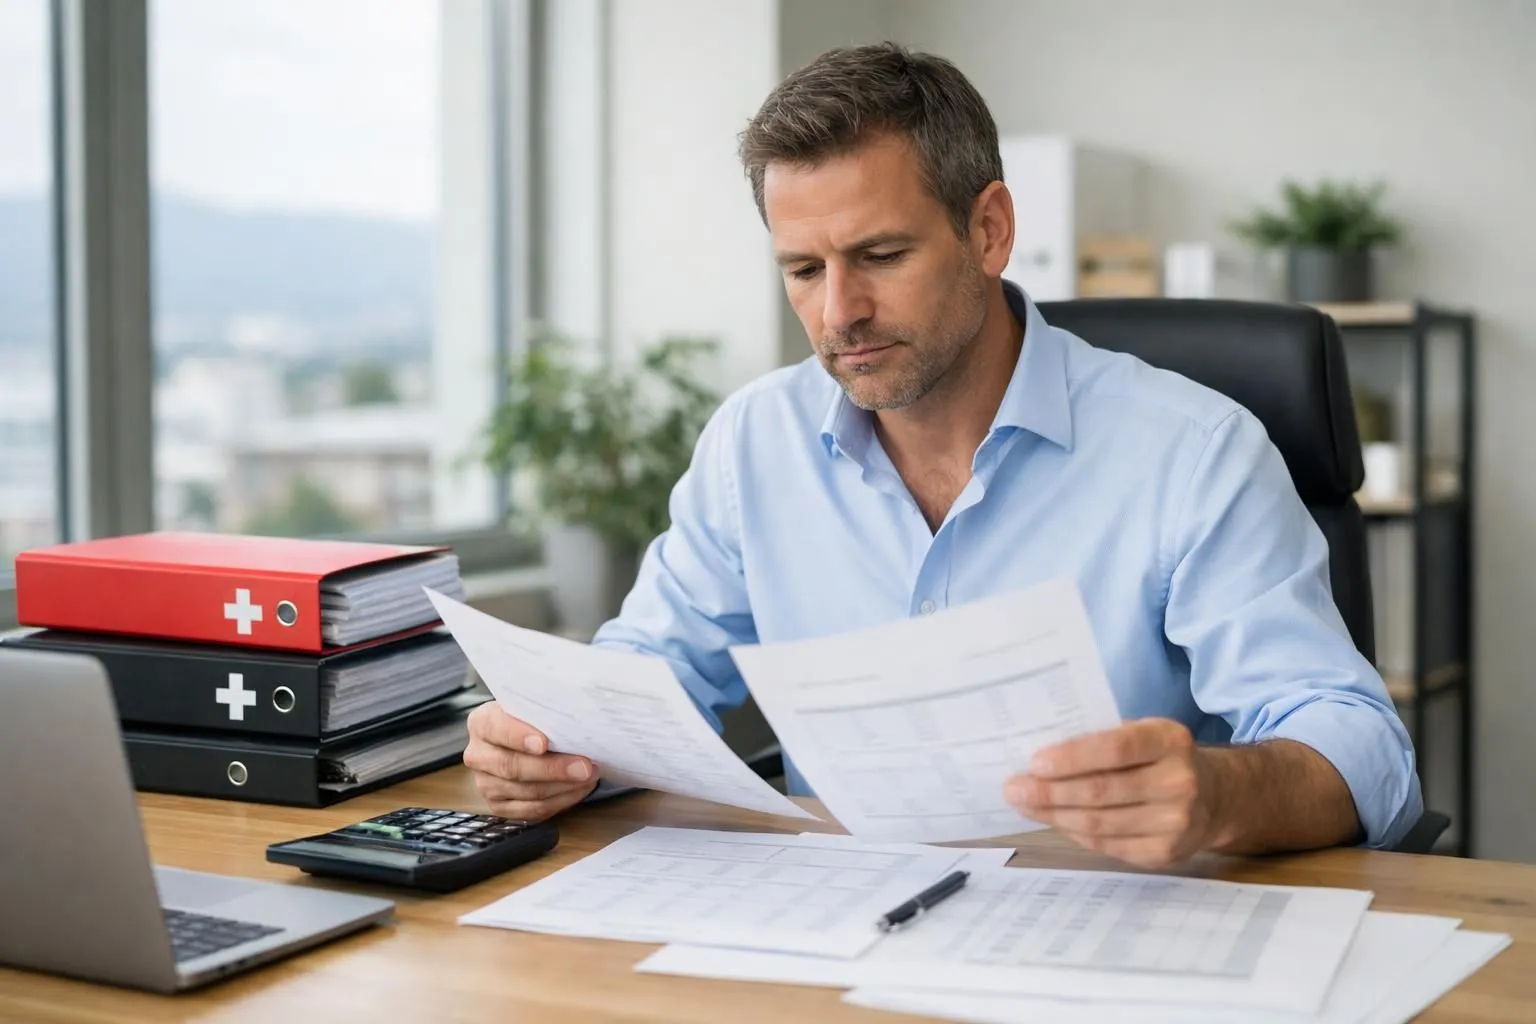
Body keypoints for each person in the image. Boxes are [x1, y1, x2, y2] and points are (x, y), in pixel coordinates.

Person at [463, 42, 1421, 868]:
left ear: (990, 230)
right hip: (845, 930)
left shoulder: (1195, 452)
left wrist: (1219, 795)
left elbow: (1360, 747)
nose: (839, 313)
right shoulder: (752, 444)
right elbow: (647, 675)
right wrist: (551, 746)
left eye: (880, 256)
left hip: (1125, 931)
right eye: (803, 270)